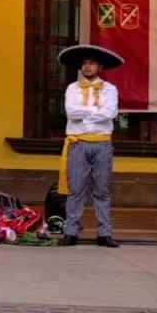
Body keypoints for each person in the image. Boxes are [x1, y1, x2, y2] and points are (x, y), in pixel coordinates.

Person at [56, 43, 122, 248]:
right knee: (76, 190)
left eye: (91, 63)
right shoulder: (72, 88)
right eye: (84, 63)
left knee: (101, 190)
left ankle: (104, 233)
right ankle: (71, 231)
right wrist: (95, 112)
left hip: (102, 144)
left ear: (100, 67)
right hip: (78, 143)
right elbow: (71, 113)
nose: (87, 67)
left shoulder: (110, 89)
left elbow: (109, 113)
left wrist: (85, 114)